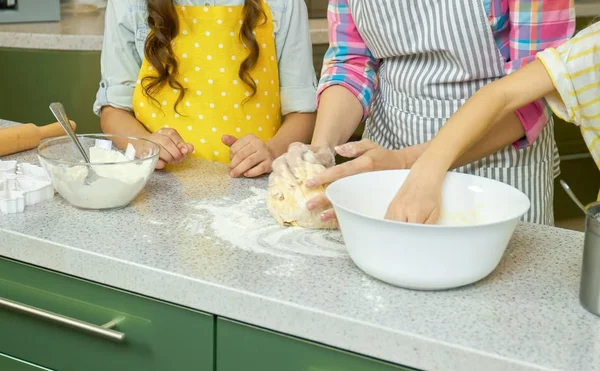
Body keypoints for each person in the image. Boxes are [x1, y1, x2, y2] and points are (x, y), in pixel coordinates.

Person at [271, 0, 575, 225]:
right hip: (385, 160)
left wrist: (413, 162)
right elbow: (351, 60)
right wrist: (321, 148)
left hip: (497, 168)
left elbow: (537, 88)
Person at [353, 20, 599, 224]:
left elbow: (522, 100)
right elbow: (500, 95)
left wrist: (416, 164)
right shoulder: (590, 50)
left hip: (506, 164)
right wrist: (415, 165)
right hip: (400, 144)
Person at [94, 0, 317, 177]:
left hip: (255, 186)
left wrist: (271, 150)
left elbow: (303, 113)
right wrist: (143, 143)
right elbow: (113, 111)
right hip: (159, 191)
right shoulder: (128, 4)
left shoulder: (285, 4)